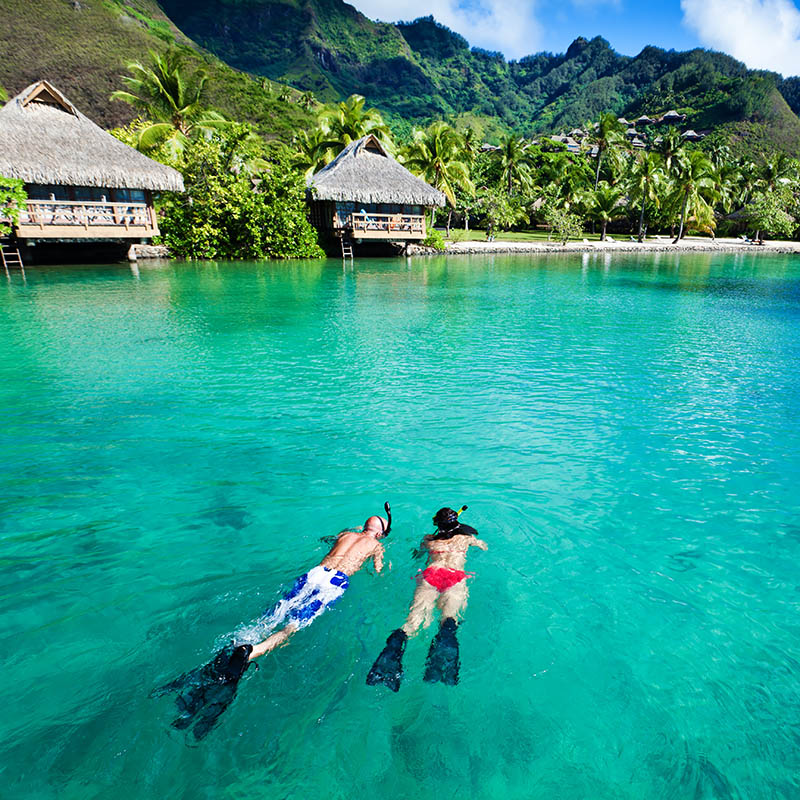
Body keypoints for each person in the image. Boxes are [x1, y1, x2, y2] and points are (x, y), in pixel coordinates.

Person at [154, 505, 391, 740]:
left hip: (316, 572)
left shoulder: (345, 534)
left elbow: (332, 539)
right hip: (334, 583)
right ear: (380, 533)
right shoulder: (376, 546)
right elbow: (378, 571)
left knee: (274, 614)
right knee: (291, 627)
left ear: (364, 526)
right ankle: (252, 651)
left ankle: (244, 639)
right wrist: (384, 566)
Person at [366, 506, 487, 692]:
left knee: (413, 623)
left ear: (437, 524)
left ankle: (394, 649)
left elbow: (417, 555)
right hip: (455, 577)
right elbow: (483, 547)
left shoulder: (428, 540)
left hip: (431, 576)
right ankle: (443, 647)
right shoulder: (465, 539)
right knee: (449, 620)